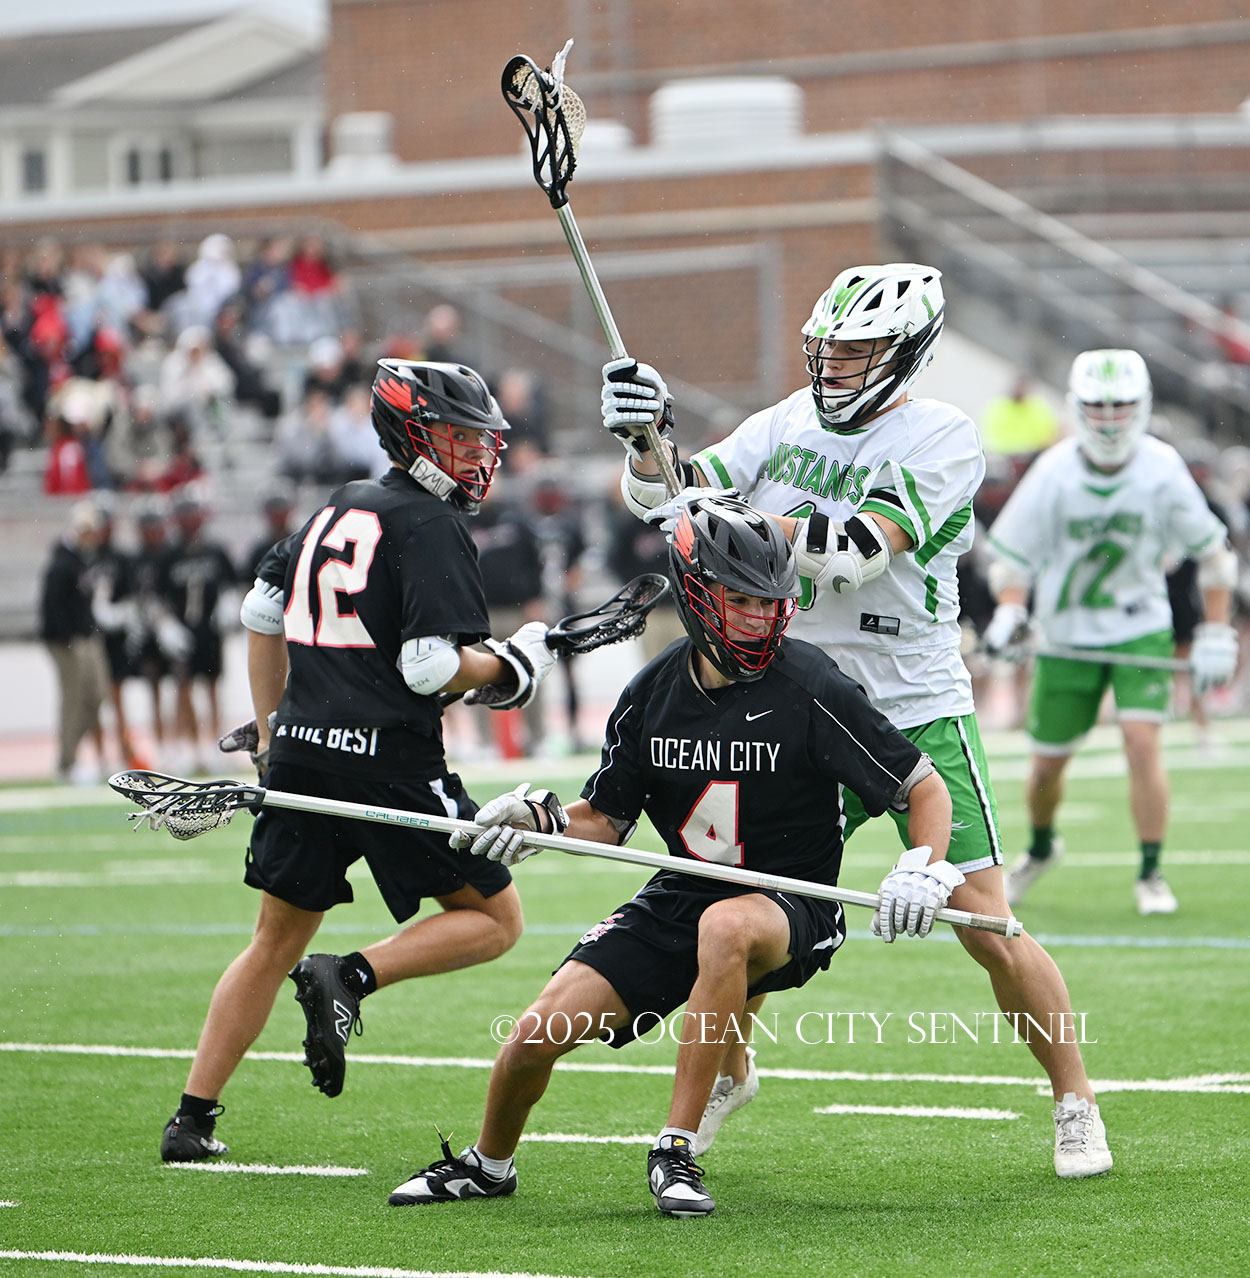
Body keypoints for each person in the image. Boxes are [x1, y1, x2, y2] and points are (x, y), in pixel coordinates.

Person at [603, 262, 1112, 1178]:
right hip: (795, 700)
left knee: (981, 917)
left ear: (907, 352)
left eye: (859, 349)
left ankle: (1074, 1097)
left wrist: (713, 512)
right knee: (746, 897)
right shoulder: (784, 419)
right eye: (829, 347)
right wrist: (648, 445)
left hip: (913, 704)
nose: (835, 364)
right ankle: (730, 1070)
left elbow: (852, 553)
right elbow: (668, 497)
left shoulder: (944, 435)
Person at [388, 494, 954, 1217]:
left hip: (792, 901)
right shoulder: (651, 692)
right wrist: (539, 820)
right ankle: (488, 1166)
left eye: (770, 602)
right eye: (741, 600)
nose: (759, 618)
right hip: (682, 893)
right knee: (534, 1035)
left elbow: (921, 785)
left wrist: (920, 864)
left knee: (727, 928)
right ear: (695, 593)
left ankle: (676, 1149)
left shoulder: (811, 683)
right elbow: (605, 819)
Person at [160, 359, 558, 1163]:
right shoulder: (433, 523)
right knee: (496, 920)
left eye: (481, 438)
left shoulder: (337, 503)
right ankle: (351, 975)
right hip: (390, 764)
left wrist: (270, 734)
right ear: (413, 435)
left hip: (303, 756)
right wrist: (512, 664)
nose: (480, 453)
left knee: (272, 940)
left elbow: (261, 611)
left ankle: (191, 1120)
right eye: (460, 436)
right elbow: (429, 668)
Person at [982, 349, 1238, 916]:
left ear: (1142, 406)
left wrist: (1217, 633)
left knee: (1143, 745)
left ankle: (1151, 871)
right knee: (1047, 766)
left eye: (1121, 405)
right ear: (1077, 407)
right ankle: (1041, 848)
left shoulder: (1161, 467)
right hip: (1066, 632)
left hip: (1139, 627)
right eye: (1097, 406)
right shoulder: (1054, 470)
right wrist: (1010, 612)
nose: (1110, 419)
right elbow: (1011, 560)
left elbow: (1215, 557)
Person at [39, 500, 110, 782]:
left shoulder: (80, 560)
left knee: (94, 696)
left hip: (83, 637)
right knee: (74, 699)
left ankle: (70, 756)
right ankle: (67, 762)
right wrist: (69, 637)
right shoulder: (62, 563)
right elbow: (52, 606)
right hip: (69, 642)